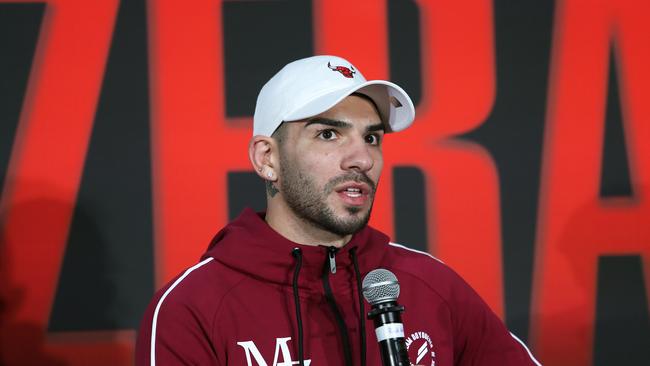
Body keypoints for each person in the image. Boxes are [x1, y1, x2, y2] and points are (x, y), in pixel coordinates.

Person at [135, 55, 541, 366]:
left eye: (372, 138)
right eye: (328, 134)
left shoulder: (430, 283)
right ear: (266, 158)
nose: (361, 159)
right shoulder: (192, 307)